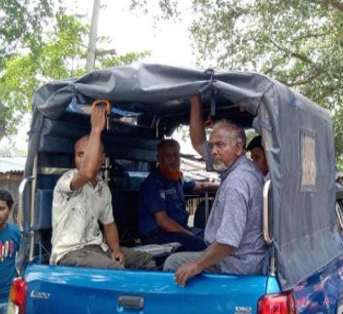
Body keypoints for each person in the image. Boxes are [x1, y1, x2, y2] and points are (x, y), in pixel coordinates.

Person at [162, 96, 266, 287]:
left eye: (220, 145)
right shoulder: (247, 168)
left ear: (238, 148)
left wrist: (197, 266)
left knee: (172, 263)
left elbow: (227, 242)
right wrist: (195, 101)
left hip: (235, 264)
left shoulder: (237, 182)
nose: (214, 151)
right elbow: (198, 142)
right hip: (246, 258)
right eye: (212, 146)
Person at [50, 103, 156, 270]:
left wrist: (115, 250)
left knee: (146, 260)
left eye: (89, 154)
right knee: (115, 270)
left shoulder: (103, 188)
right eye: (80, 155)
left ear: (102, 158)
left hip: (98, 249)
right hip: (70, 252)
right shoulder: (67, 180)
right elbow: (86, 172)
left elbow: (108, 224)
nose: (83, 159)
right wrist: (96, 130)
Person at [139, 139, 217, 252]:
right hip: (159, 236)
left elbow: (201, 186)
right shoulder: (153, 184)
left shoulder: (176, 179)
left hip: (180, 230)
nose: (173, 159)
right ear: (159, 159)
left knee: (214, 238)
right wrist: (190, 235)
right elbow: (163, 222)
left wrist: (224, 184)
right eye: (168, 155)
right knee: (201, 244)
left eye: (176, 155)